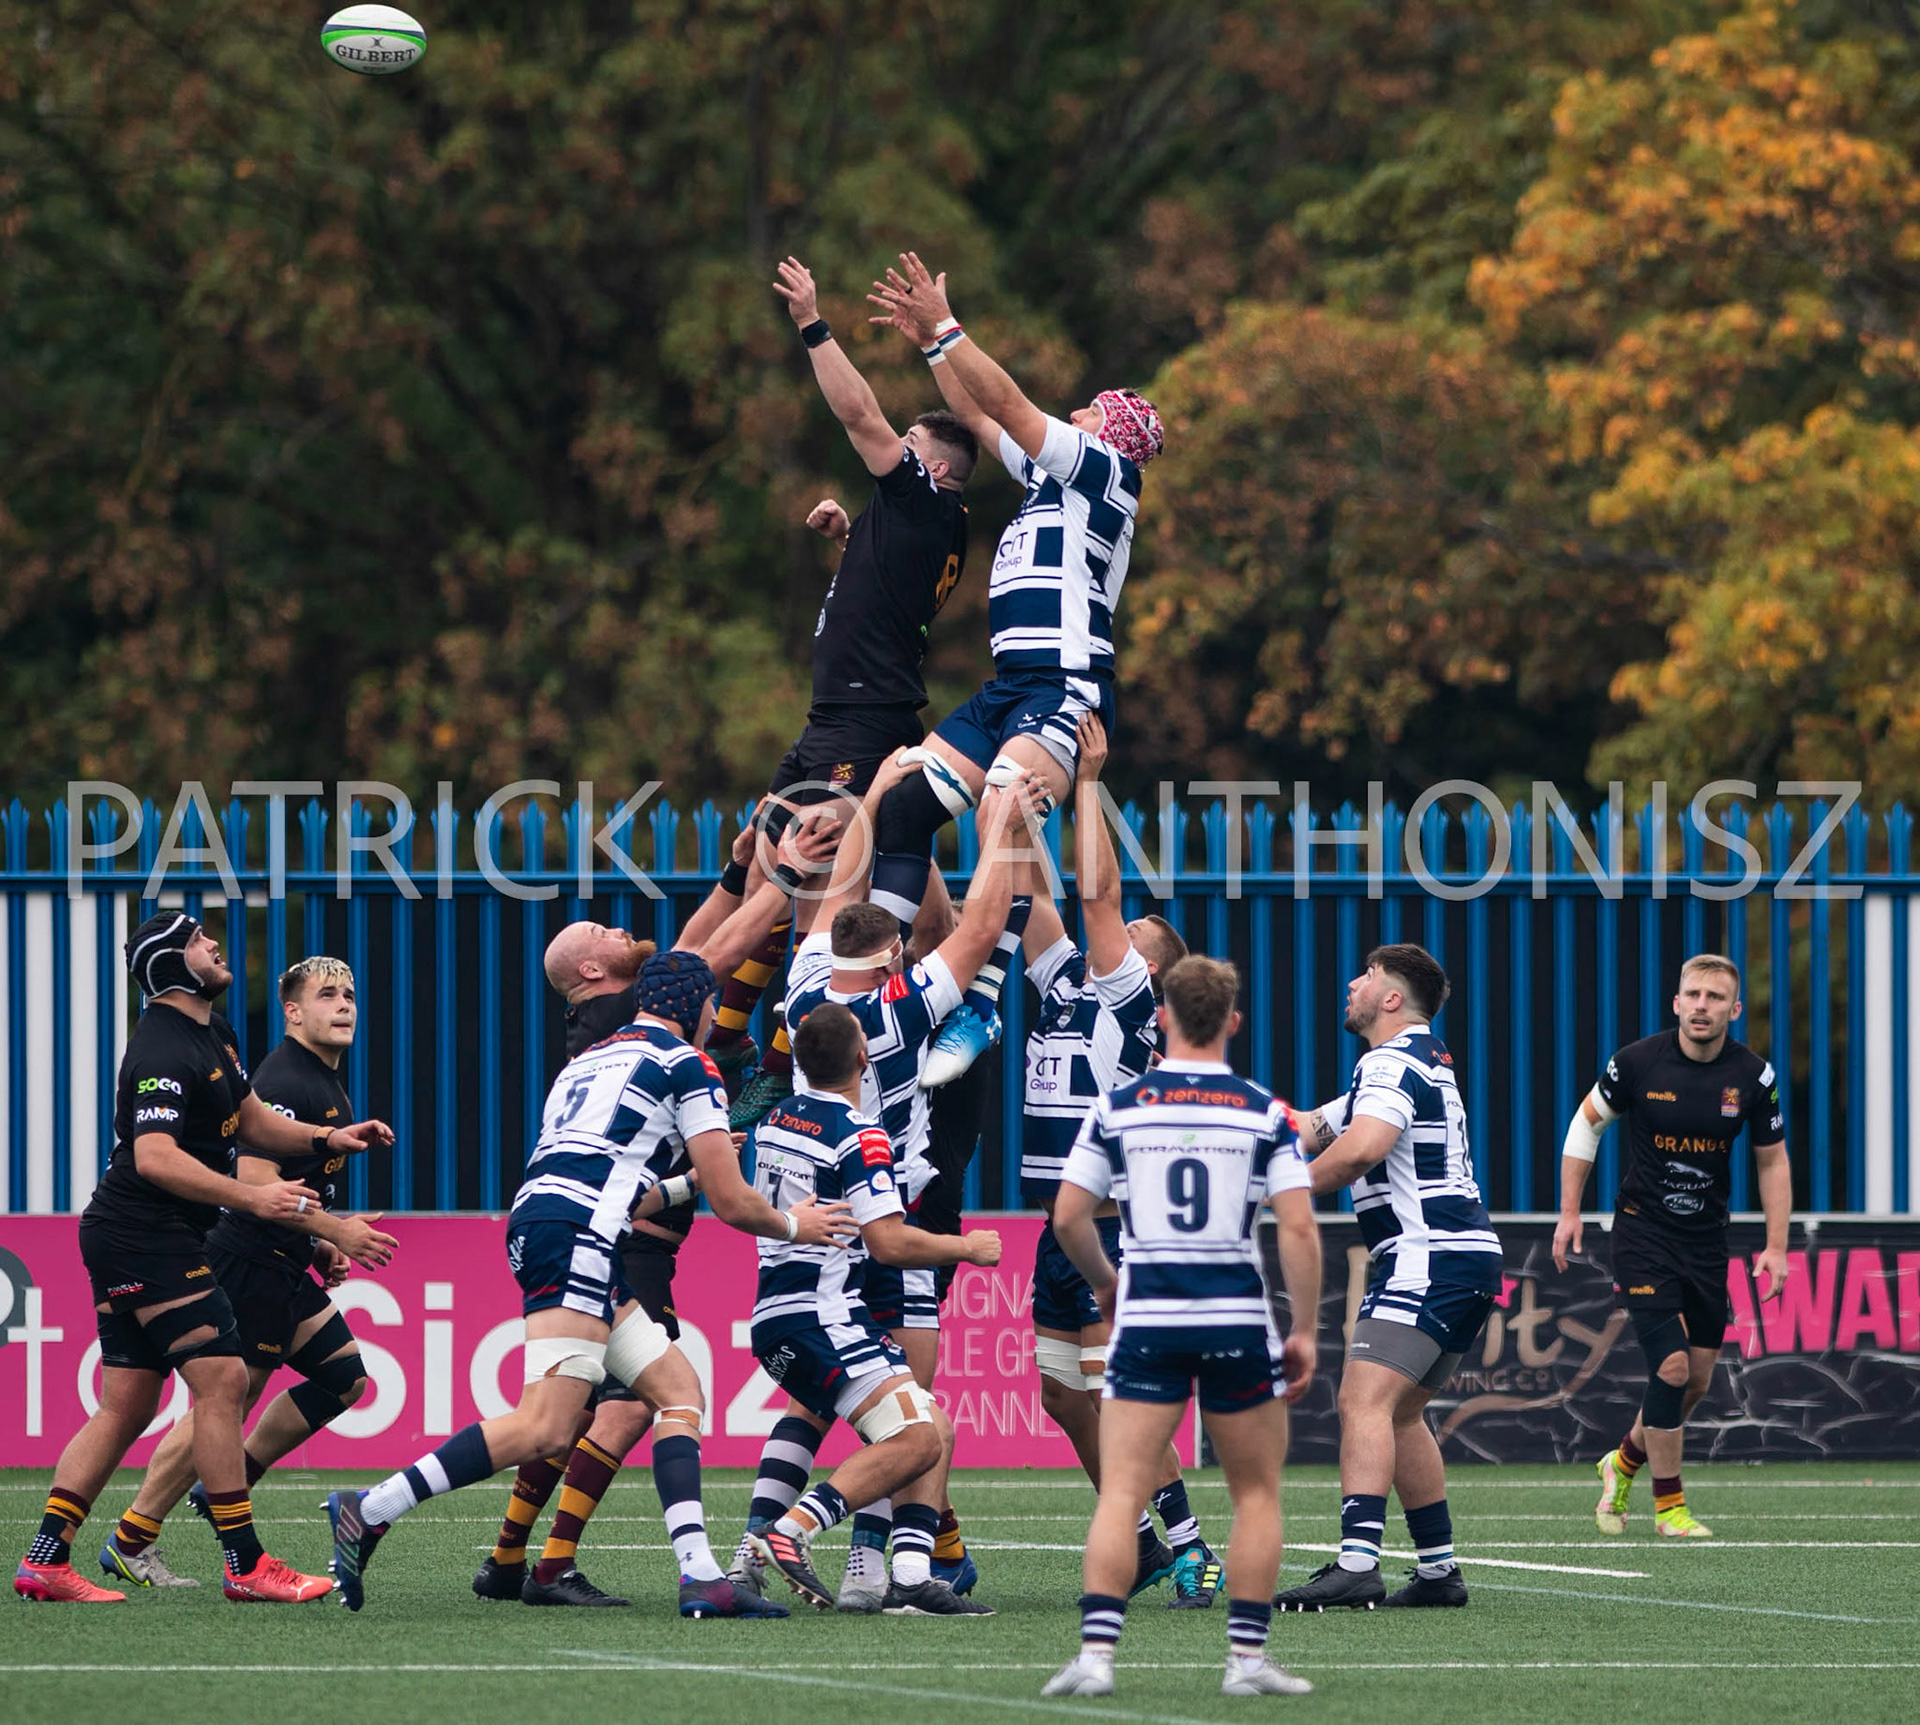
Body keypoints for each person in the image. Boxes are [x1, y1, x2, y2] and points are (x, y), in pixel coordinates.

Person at [325, 945, 858, 1613]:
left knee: (677, 1390)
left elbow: (620, 1184)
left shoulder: (590, 1060)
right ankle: (368, 1507)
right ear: (700, 1008)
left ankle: (701, 1576)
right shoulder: (687, 1063)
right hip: (578, 1235)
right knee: (546, 1425)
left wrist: (688, 1179)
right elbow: (732, 1203)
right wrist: (793, 1223)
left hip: (553, 1223)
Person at [472, 815, 837, 1609]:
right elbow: (701, 962)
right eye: (606, 928)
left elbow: (681, 960)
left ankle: (508, 1557)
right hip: (619, 1239)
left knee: (571, 1409)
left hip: (610, 1232)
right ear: (596, 967)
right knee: (634, 1402)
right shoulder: (620, 1017)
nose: (620, 926)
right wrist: (785, 880)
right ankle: (552, 1562)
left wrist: (736, 875)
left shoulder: (613, 1012)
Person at [729, 759, 1038, 1604]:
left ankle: (793, 1554)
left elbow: (833, 904)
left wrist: (868, 804)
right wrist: (1001, 821)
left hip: (819, 1228)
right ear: (894, 952)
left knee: (828, 1403)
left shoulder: (803, 995)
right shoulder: (900, 1010)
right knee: (916, 1409)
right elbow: (975, 931)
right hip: (878, 1213)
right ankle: (884, 1561)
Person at [15, 913, 392, 1605]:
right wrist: (268, 1205)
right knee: (223, 1383)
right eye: (197, 940)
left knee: (126, 1406)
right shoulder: (161, 1046)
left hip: (143, 1233)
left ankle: (47, 1558)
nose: (214, 945)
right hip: (143, 1233)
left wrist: (329, 1136)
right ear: (172, 964)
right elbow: (155, 1158)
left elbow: (249, 1117)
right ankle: (243, 1562)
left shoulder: (210, 1031)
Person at [864, 249, 1165, 1086]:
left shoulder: (1107, 472)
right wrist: (931, 344)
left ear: (1108, 432)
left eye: (1088, 409)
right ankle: (873, 972)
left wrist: (950, 327)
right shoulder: (1051, 481)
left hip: (1064, 687)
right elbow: (977, 408)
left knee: (1006, 808)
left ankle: (981, 999)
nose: (1072, 412)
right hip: (1008, 689)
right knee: (904, 807)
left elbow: (1006, 400)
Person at [714, 255, 979, 1130]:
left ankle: (780, 1062)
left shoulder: (922, 501)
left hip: (860, 723)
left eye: (911, 449)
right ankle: (744, 1041)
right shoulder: (921, 520)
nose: (892, 452)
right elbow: (884, 599)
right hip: (844, 715)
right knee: (763, 855)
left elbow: (858, 410)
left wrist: (813, 326)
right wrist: (845, 542)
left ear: (933, 470)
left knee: (816, 887)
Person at [1042, 956, 1321, 1701]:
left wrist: (1107, 1283)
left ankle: (1097, 1657)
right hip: (1233, 1315)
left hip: (1149, 1316)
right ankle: (1246, 1661)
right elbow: (1298, 1228)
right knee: (1256, 1493)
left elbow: (1067, 1214)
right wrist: (1307, 1327)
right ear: (1232, 1021)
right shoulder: (1265, 1111)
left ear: (1162, 1015)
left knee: (1122, 1492)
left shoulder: (1120, 1106)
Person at [100, 957, 399, 1589]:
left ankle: (226, 1485)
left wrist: (316, 1247)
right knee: (222, 1402)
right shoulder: (288, 1076)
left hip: (283, 1261)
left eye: (349, 993)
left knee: (344, 1379)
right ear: (292, 1012)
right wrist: (334, 1231)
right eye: (326, 995)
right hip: (249, 1261)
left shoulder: (321, 1078)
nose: (343, 1004)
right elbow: (254, 1182)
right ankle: (132, 1537)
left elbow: (289, 1185)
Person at [1019, 715, 1215, 1604]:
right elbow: (1039, 906)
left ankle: (1189, 1546)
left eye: (1136, 933)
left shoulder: (1134, 1002)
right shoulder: (1069, 987)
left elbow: (1094, 898)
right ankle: (1140, 1539)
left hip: (1107, 1231)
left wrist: (1087, 782)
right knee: (1064, 1399)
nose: (1118, 932)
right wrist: (1016, 814)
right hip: (1054, 1230)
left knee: (1119, 1405)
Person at [744, 1003, 1001, 1616]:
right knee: (919, 1436)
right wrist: (966, 1247)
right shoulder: (859, 1133)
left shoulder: (779, 1117)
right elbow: (889, 1242)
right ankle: (800, 1531)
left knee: (925, 1425)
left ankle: (756, 1556)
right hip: (823, 1314)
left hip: (777, 1312)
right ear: (864, 1056)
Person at [1274, 945, 1502, 1612]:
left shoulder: (1390, 1061)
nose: (1352, 983)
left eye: (1367, 975)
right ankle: (1437, 1571)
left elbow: (1362, 1149)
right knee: (1401, 1412)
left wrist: (1275, 1193)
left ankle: (1356, 1565)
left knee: (1364, 1401)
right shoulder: (1408, 1064)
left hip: (1427, 1254)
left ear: (1393, 999)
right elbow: (1311, 1128)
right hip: (1462, 1256)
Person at [1553, 953, 1789, 1540]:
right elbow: (1586, 1125)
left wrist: (1777, 1245)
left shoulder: (1754, 1077)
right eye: (1693, 995)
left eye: (1715, 998)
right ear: (1677, 1003)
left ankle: (1621, 1462)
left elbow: (1772, 1160)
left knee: (1696, 1382)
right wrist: (1569, 1212)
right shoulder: (1636, 1062)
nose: (1702, 1006)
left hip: (1707, 1241)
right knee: (1673, 1366)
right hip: (1642, 1234)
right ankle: (1670, 1507)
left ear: (1733, 1010)